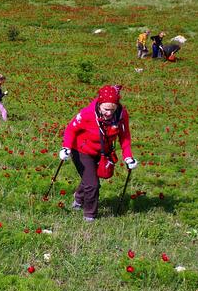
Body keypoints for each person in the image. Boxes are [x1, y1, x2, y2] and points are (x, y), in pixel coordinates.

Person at [58, 85, 138, 222]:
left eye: (112, 110)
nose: (109, 113)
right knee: (93, 184)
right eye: (106, 109)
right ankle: (90, 216)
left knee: (90, 179)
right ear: (99, 104)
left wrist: (128, 157)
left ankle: (78, 199)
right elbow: (70, 130)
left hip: (102, 152)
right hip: (81, 150)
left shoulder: (121, 114)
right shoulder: (87, 113)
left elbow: (125, 137)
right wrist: (66, 147)